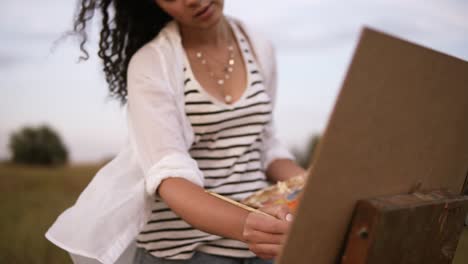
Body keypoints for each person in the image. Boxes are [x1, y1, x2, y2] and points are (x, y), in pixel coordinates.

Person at [45, 0, 307, 263]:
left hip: (266, 246)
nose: (193, 0)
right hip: (187, 252)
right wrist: (249, 225)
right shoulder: (151, 64)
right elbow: (170, 179)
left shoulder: (258, 45)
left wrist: (312, 186)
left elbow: (266, 144)